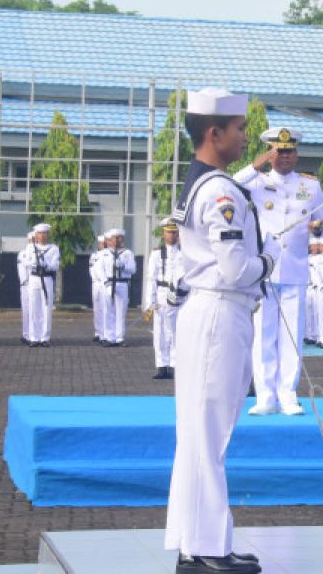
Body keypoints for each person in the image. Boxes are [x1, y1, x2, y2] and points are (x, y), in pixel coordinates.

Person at [164, 87, 273, 574]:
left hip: (204, 313)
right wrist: (266, 262)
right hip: (219, 313)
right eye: (239, 129)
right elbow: (233, 268)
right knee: (210, 433)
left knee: (197, 433)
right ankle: (208, 547)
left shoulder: (201, 182)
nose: (245, 137)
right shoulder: (222, 191)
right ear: (215, 133)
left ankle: (196, 540)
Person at [233, 126, 323, 417]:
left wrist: (319, 228)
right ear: (270, 152)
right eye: (279, 151)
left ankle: (288, 394)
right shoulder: (256, 181)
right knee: (264, 334)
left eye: (289, 151)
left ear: (296, 153)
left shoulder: (310, 186)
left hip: (296, 269)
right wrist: (256, 164)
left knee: (292, 336)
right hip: (265, 270)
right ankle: (265, 396)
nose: (284, 157)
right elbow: (230, 184)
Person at [145, 218, 183, 379]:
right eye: (169, 232)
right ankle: (162, 365)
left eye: (174, 232)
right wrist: (150, 302)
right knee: (160, 332)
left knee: (177, 331)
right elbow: (151, 278)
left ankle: (175, 365)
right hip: (161, 295)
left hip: (179, 296)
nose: (172, 235)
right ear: (163, 234)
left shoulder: (184, 253)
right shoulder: (156, 254)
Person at [20, 223, 60, 348]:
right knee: (33, 308)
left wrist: (46, 264)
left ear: (48, 235)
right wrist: (33, 262)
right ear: (35, 235)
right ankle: (33, 337)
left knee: (46, 308)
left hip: (47, 278)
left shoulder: (53, 248)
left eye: (44, 233)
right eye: (39, 233)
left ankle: (45, 337)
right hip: (34, 278)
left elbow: (55, 265)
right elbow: (25, 262)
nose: (42, 236)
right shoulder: (30, 248)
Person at [98, 228, 136, 347]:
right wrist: (106, 283)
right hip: (108, 283)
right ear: (109, 240)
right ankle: (109, 337)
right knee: (108, 311)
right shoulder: (103, 254)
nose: (117, 240)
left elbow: (133, 269)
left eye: (119, 238)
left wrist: (123, 266)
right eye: (114, 238)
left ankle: (119, 337)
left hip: (122, 283)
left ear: (123, 239)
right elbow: (100, 270)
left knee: (121, 311)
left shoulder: (127, 253)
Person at [90, 235, 107, 342]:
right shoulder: (94, 255)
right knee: (97, 309)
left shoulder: (108, 254)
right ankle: (98, 332)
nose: (103, 245)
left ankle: (104, 333)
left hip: (104, 283)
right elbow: (91, 268)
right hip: (95, 283)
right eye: (101, 243)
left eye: (104, 243)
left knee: (105, 308)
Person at [17, 231, 33, 344]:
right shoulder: (23, 253)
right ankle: (27, 334)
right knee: (27, 311)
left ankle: (35, 334)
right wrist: (25, 282)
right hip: (27, 285)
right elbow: (23, 271)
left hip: (37, 284)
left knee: (37, 311)